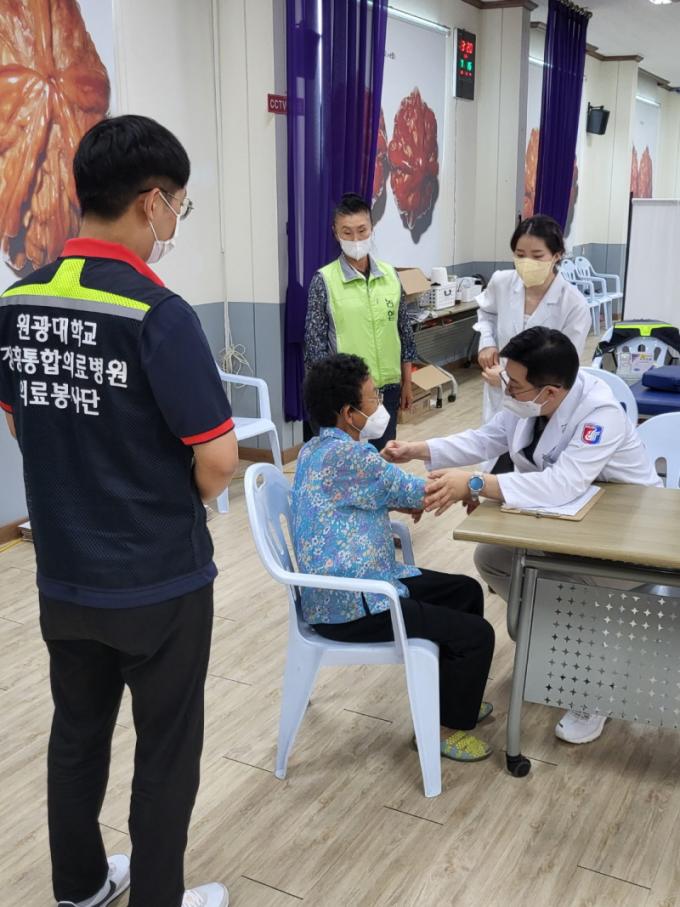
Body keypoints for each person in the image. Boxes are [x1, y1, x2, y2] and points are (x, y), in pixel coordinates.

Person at [0, 116, 238, 907]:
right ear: (150, 201)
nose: (175, 220)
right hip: (158, 579)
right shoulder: (157, 312)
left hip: (64, 575)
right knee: (166, 749)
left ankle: (79, 889)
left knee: (76, 733)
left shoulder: (18, 301)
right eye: (179, 206)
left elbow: (22, 423)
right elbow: (218, 459)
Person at [383, 327, 661, 746]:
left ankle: (594, 686)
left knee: (566, 587)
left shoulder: (599, 413)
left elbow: (561, 484)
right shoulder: (529, 401)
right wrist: (418, 448)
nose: (506, 387)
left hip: (624, 536)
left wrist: (476, 484)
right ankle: (556, 643)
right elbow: (486, 439)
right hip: (571, 523)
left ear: (550, 392)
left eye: (514, 383)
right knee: (492, 558)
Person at [291, 353, 495, 761]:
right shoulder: (353, 458)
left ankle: (453, 696)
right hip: (355, 605)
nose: (379, 403)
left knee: (466, 591)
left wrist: (391, 492)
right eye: (372, 398)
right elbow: (418, 492)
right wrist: (470, 487)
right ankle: (440, 730)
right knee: (477, 635)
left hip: (351, 586)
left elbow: (372, 490)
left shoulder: (315, 449)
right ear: (349, 413)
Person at [304, 192, 417, 451]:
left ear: (372, 228)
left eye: (362, 230)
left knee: (383, 458)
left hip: (387, 390)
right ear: (335, 233)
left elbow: (404, 333)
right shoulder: (324, 280)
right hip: (347, 398)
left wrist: (407, 383)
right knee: (348, 464)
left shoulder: (390, 275)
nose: (355, 239)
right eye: (347, 232)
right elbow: (315, 349)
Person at [475, 215, 591, 427]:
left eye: (537, 256)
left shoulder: (573, 304)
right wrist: (487, 342)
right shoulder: (502, 282)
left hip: (541, 403)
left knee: (531, 444)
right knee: (493, 440)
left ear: (557, 255)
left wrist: (506, 381)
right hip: (499, 396)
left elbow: (564, 368)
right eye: (520, 255)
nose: (527, 263)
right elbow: (487, 313)